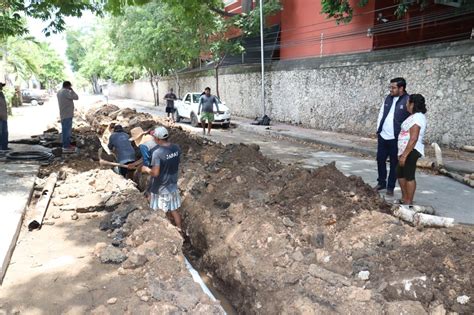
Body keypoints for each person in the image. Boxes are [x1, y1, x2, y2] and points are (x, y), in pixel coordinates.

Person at [375, 77, 410, 196]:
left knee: (394, 163)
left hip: (396, 138)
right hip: (383, 136)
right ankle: (381, 182)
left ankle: (390, 186)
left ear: (401, 88)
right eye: (390, 87)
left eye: (393, 87)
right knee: (380, 159)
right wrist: (378, 129)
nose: (391, 89)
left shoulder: (407, 100)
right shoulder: (388, 98)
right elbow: (381, 113)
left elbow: (411, 119)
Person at [147, 126, 183, 231]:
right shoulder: (176, 147)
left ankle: (165, 233)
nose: (153, 139)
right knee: (174, 210)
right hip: (173, 186)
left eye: (154, 137)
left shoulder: (157, 153)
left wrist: (146, 170)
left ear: (158, 139)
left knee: (160, 213)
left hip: (160, 189)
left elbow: (155, 173)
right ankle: (179, 229)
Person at [397, 94, 427, 205]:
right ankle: (405, 198)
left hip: (411, 150)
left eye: (407, 102)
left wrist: (404, 155)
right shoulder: (413, 116)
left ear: (412, 104)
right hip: (405, 150)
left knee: (409, 175)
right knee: (400, 173)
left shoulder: (418, 117)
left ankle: (409, 201)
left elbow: (413, 138)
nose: (406, 105)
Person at [57, 81, 79, 153]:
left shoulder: (59, 92)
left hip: (63, 114)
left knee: (65, 130)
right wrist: (72, 91)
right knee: (67, 131)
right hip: (67, 114)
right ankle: (66, 146)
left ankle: (66, 145)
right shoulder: (65, 92)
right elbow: (76, 97)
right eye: (70, 86)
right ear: (68, 86)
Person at [0, 83, 9, 151]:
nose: (1, 87)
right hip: (0, 117)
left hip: (4, 117)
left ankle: (4, 147)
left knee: (5, 132)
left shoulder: (1, 94)